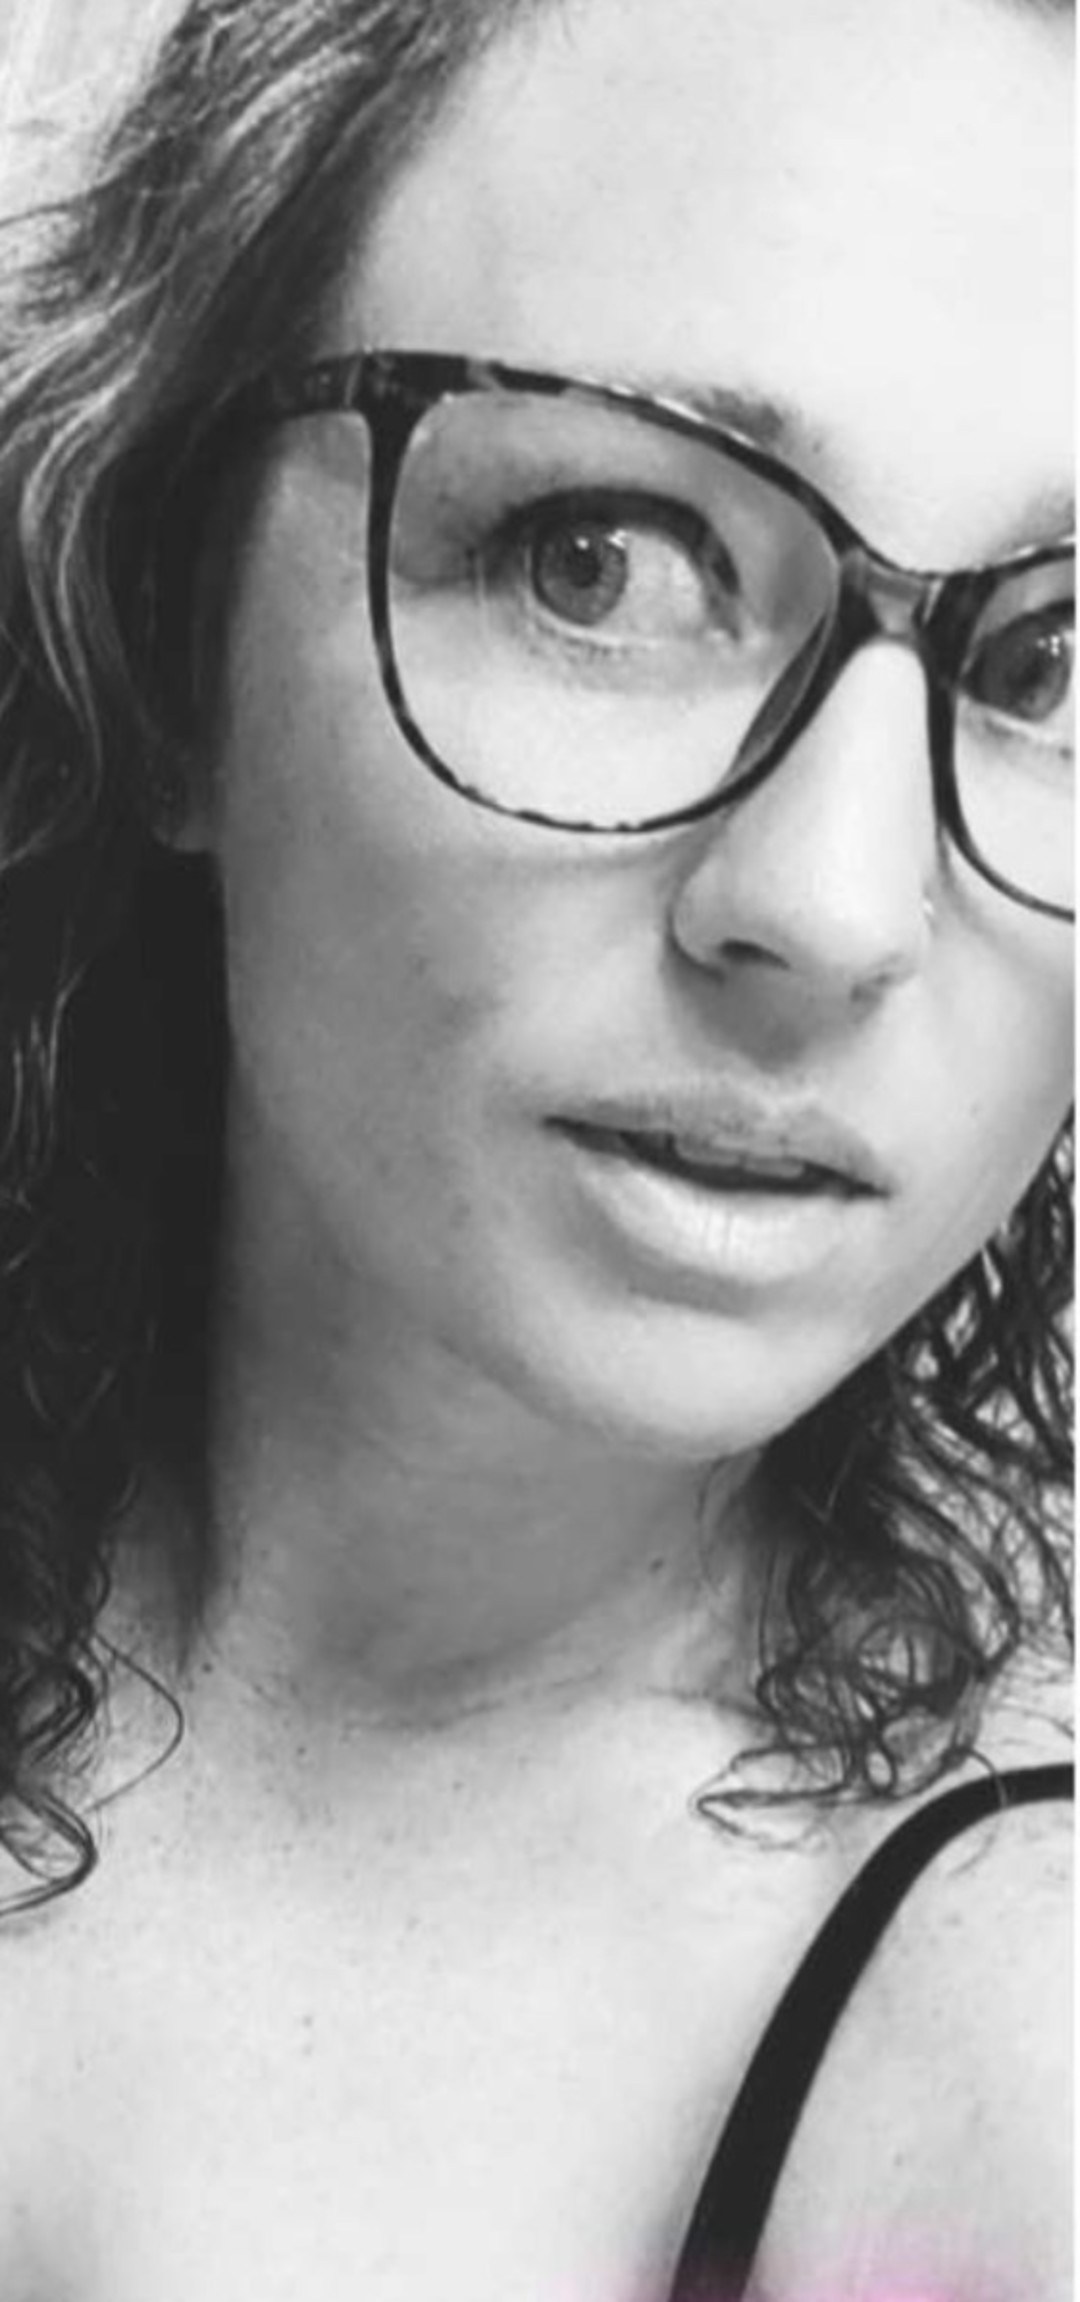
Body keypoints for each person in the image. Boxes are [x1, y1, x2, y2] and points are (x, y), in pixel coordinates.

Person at [0, 0, 1072, 2295]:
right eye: (605, 555)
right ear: (167, 629)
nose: (838, 906)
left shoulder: (1012, 2086)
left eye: (1053, 664)